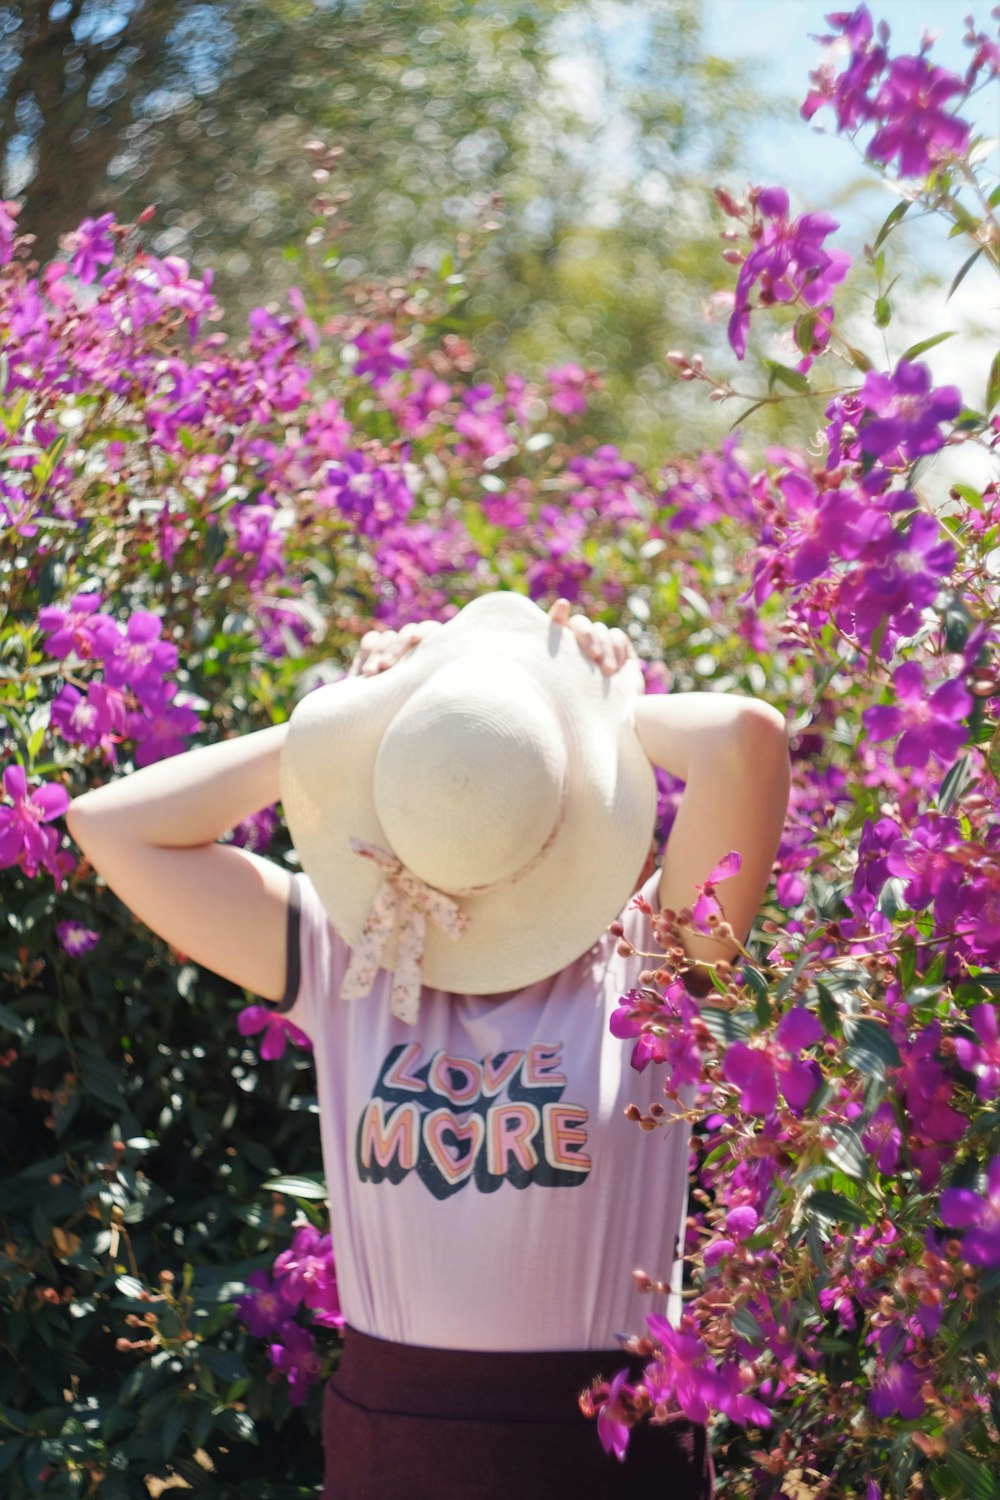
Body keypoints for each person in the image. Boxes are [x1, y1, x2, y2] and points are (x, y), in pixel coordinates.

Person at [65, 591, 791, 1500]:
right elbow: (110, 825)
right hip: (393, 1457)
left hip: (602, 1460)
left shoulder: (654, 969)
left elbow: (746, 741)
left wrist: (596, 701)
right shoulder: (353, 960)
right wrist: (353, 722)